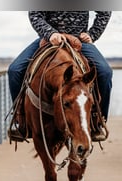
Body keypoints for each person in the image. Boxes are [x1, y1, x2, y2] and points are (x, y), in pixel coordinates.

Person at [8, 11, 112, 142]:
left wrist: (93, 34)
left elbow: (105, 12)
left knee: (105, 72)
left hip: (78, 41)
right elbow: (35, 14)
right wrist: (50, 33)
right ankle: (21, 120)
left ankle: (97, 121)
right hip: (48, 39)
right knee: (14, 70)